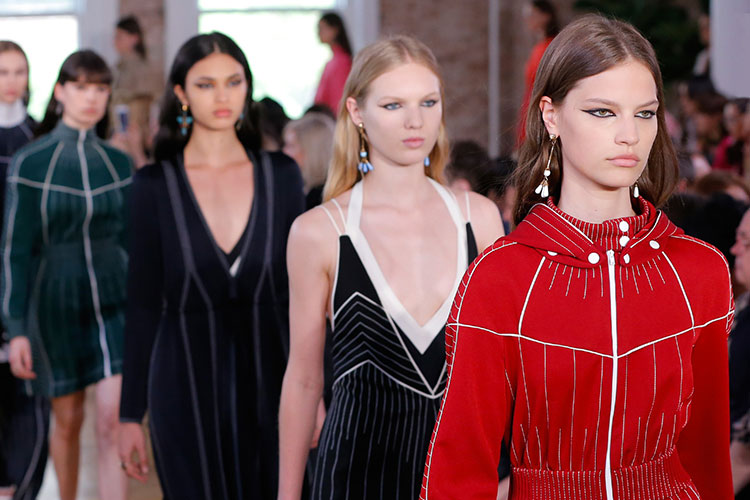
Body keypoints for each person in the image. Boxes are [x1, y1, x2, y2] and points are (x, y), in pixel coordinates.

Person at [421, 14, 734, 499]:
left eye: (645, 113)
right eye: (602, 112)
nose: (629, 134)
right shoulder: (501, 278)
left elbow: (708, 457)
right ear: (551, 116)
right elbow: (459, 470)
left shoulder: (700, 271)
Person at [278, 35, 505, 500]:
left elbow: (505, 363)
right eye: (393, 105)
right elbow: (303, 379)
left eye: (428, 102)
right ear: (357, 112)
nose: (415, 121)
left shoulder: (479, 219)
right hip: (353, 478)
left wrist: (512, 474)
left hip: (462, 476)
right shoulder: (318, 232)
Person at [118, 32, 305, 499]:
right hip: (181, 390)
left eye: (233, 82)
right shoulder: (153, 186)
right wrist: (129, 415)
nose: (223, 96)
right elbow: (142, 304)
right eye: (206, 84)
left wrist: (316, 392)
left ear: (248, 87)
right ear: (180, 93)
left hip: (274, 385)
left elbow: (303, 298)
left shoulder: (282, 176)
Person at [2, 50, 133, 500]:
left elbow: (134, 243)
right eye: (80, 87)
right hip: (54, 304)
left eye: (100, 88)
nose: (91, 98)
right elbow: (15, 250)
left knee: (114, 418)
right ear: (60, 91)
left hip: (116, 302)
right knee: (68, 419)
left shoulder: (120, 163)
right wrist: (16, 328)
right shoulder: (30, 162)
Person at [0, 40, 49, 500]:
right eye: (2, 72)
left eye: (19, 71)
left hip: (31, 284)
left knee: (30, 394)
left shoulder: (39, 138)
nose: (12, 81)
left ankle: (22, 489)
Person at [517, 0, 559, 145]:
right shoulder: (540, 47)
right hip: (531, 106)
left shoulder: (551, 47)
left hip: (543, 111)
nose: (528, 19)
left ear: (545, 16)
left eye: (532, 15)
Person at [283, 112, 335, 209]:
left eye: (290, 146)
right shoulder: (305, 190)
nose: (284, 151)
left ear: (311, 151)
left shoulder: (319, 200)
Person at [313, 12, 353, 115]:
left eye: (322, 28)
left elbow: (338, 101)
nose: (318, 33)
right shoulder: (333, 61)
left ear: (335, 30)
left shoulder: (341, 62)